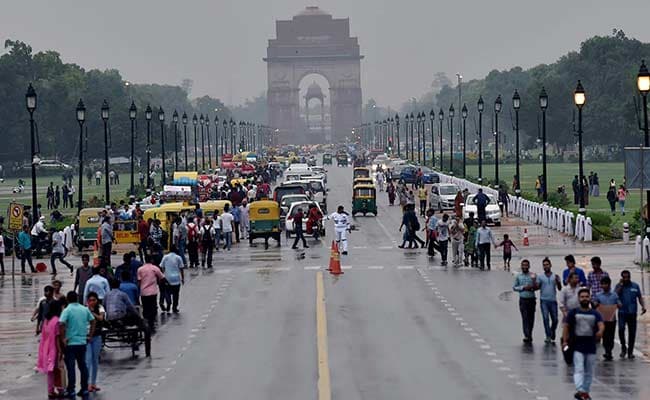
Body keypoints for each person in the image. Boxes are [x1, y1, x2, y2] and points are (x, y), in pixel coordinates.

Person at [562, 288, 604, 400]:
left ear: (590, 298)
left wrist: (600, 331)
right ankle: (580, 390)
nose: (585, 299)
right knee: (579, 369)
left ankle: (585, 391)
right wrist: (565, 341)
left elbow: (601, 324)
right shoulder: (573, 313)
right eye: (582, 297)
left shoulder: (595, 313)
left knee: (589, 371)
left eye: (586, 296)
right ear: (579, 298)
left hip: (591, 346)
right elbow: (566, 327)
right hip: (577, 346)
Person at [59, 291, 95, 398]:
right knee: (82, 366)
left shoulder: (67, 310)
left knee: (71, 367)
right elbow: (93, 321)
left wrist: (63, 338)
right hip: (82, 342)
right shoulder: (84, 309)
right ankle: (84, 388)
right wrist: (90, 335)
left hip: (70, 343)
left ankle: (71, 389)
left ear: (68, 300)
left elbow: (61, 323)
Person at [615, 270, 646, 359]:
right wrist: (620, 285)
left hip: (632, 313)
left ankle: (630, 352)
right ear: (621, 278)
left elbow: (639, 297)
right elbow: (615, 295)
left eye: (628, 277)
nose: (626, 279)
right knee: (621, 330)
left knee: (632, 333)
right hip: (622, 312)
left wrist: (643, 306)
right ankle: (623, 347)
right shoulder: (619, 286)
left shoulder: (635, 286)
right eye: (624, 277)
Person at [36, 299, 63, 399]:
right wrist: (60, 350)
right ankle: (60, 389)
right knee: (57, 369)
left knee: (50, 371)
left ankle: (50, 390)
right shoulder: (56, 321)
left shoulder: (46, 320)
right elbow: (57, 337)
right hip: (53, 348)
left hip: (45, 347)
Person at [593, 276, 620, 361]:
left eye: (606, 284)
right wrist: (595, 303)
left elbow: (619, 303)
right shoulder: (598, 295)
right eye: (602, 284)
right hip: (602, 319)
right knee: (604, 335)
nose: (604, 286)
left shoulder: (614, 295)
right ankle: (607, 351)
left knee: (611, 335)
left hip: (612, 318)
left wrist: (619, 305)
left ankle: (609, 350)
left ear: (609, 284)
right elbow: (594, 304)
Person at [537, 257, 562, 343]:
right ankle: (548, 336)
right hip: (544, 300)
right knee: (545, 318)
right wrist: (535, 284)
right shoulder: (540, 277)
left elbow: (559, 288)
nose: (545, 266)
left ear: (550, 265)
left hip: (553, 301)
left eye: (547, 265)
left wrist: (558, 282)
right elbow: (537, 287)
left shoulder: (555, 276)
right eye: (544, 265)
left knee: (555, 319)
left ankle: (552, 331)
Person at [138, 255, 164, 332]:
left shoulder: (140, 269)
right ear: (152, 260)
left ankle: (146, 322)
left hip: (143, 292)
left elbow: (139, 281)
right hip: (153, 292)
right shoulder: (155, 268)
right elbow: (162, 277)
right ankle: (151, 322)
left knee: (145, 308)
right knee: (153, 307)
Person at [513, 259, 537, 343]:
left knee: (531, 318)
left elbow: (537, 286)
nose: (525, 267)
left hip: (531, 299)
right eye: (523, 265)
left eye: (526, 265)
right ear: (521, 266)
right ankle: (527, 335)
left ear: (529, 266)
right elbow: (514, 287)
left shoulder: (533, 275)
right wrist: (523, 287)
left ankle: (530, 332)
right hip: (523, 299)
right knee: (525, 318)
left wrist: (532, 286)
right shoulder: (519, 276)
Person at [85, 292, 104, 393]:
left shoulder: (100, 308)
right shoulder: (84, 309)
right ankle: (87, 383)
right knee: (87, 360)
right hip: (87, 337)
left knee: (95, 360)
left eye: (94, 300)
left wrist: (93, 313)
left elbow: (101, 318)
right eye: (90, 300)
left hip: (97, 336)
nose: (92, 302)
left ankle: (93, 383)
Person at [160, 246, 185, 313]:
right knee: (176, 294)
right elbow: (181, 268)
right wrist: (182, 278)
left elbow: (162, 267)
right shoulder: (178, 257)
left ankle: (168, 303)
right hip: (176, 279)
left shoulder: (165, 257)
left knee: (167, 292)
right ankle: (174, 307)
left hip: (168, 278)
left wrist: (163, 275)